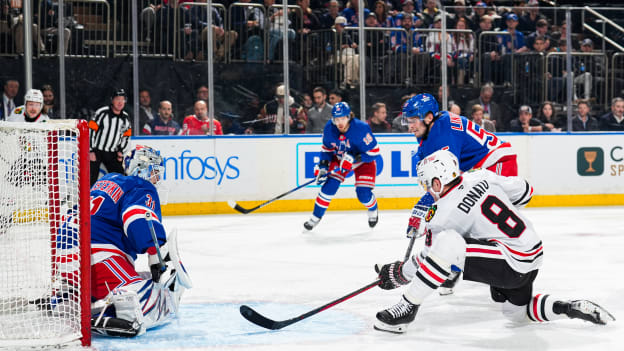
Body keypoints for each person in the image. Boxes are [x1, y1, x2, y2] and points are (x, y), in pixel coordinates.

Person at [373, 149, 615, 333]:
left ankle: (407, 307)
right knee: (516, 313)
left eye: (426, 185)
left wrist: (397, 274)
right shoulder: (481, 175)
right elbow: (525, 191)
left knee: (448, 242)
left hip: (510, 263)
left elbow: (430, 258)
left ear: (437, 182)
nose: (426, 191)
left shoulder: (441, 215)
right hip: (531, 255)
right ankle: (567, 307)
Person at [89, 145, 192, 337]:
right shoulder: (141, 186)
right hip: (99, 257)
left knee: (137, 276)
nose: (158, 179)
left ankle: (65, 298)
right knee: (149, 297)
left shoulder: (106, 180)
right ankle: (118, 314)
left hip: (67, 254)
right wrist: (156, 252)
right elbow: (137, 218)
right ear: (143, 169)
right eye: (156, 173)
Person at [401, 93, 517, 258]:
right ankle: (457, 260)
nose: (409, 126)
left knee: (479, 219)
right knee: (463, 213)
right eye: (408, 121)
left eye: (413, 120)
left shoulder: (441, 133)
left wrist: (423, 206)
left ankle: (495, 259)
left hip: (497, 164)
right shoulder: (433, 129)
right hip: (480, 169)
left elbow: (447, 179)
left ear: (428, 117)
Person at [304, 102, 380, 230]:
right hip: (340, 160)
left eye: (343, 118)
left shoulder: (361, 128)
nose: (339, 122)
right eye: (336, 119)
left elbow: (374, 152)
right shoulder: (329, 128)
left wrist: (354, 158)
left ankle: (373, 209)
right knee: (329, 187)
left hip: (363, 162)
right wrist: (323, 167)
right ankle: (315, 217)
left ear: (349, 116)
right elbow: (327, 150)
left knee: (363, 194)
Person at [88, 88, 132, 186]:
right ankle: (88, 199)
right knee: (91, 177)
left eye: (122, 99)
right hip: (97, 150)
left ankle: (119, 199)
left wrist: (121, 151)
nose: (120, 102)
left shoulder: (125, 117)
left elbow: (126, 136)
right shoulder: (102, 113)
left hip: (113, 152)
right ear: (112, 100)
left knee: (121, 178)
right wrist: (90, 150)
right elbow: (90, 130)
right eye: (117, 99)